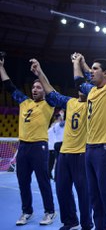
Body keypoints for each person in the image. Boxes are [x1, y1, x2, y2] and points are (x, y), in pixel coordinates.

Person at [30, 58, 93, 230]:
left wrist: (77, 64)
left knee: (84, 193)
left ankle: (87, 224)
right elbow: (50, 92)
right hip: (64, 154)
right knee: (62, 190)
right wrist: (40, 72)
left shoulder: (93, 105)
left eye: (84, 86)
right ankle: (70, 221)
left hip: (82, 154)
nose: (80, 88)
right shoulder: (70, 102)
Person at [0, 58, 56, 226]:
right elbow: (9, 86)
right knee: (22, 181)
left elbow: (49, 89)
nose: (35, 89)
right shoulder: (25, 102)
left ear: (44, 91)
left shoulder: (49, 104)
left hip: (39, 146)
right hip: (23, 146)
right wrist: (1, 67)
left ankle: (49, 211)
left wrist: (39, 72)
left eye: (38, 87)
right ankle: (27, 211)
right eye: (33, 87)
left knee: (43, 180)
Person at [74, 50, 106, 229]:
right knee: (94, 195)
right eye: (91, 69)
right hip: (90, 148)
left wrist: (79, 63)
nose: (91, 71)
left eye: (96, 69)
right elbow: (80, 82)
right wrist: (79, 62)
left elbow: (85, 78)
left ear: (105, 73)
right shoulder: (92, 91)